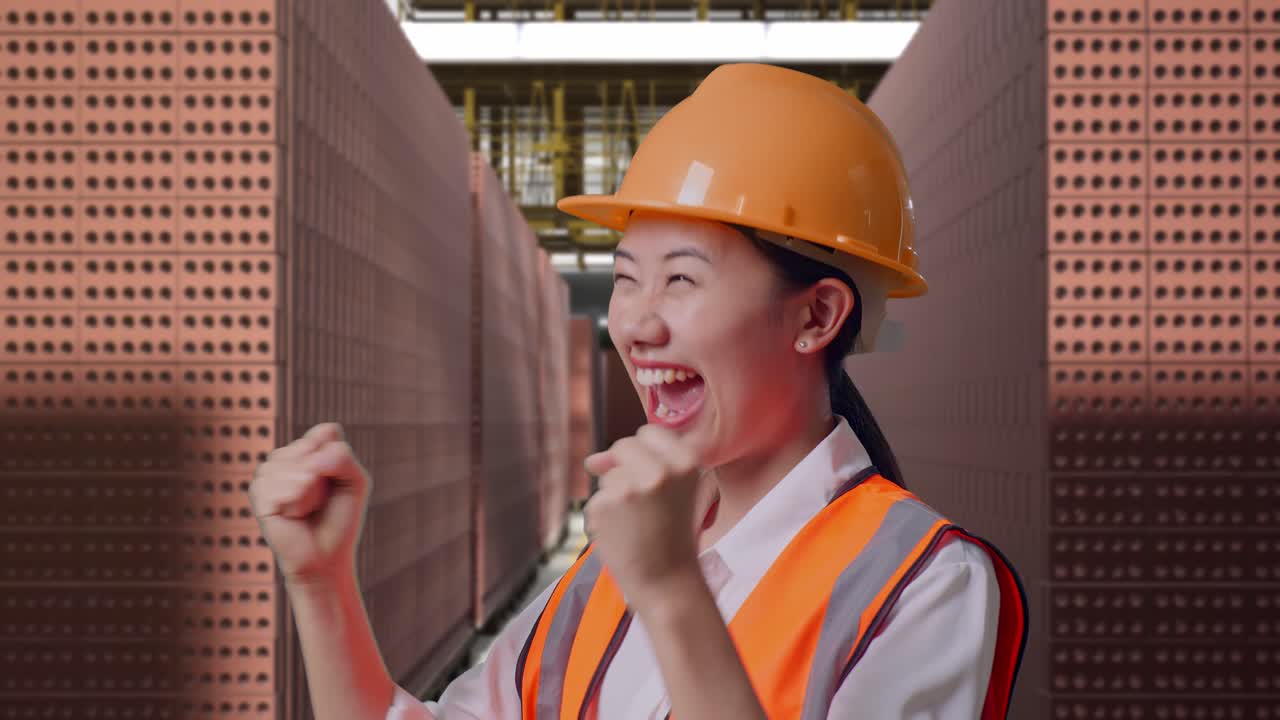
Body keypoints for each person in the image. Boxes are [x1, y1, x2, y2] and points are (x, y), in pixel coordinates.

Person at [249, 63, 1028, 720]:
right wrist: (320, 585)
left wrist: (669, 592)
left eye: (681, 279)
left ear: (816, 315)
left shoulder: (923, 582)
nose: (636, 325)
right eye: (626, 279)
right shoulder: (617, 565)